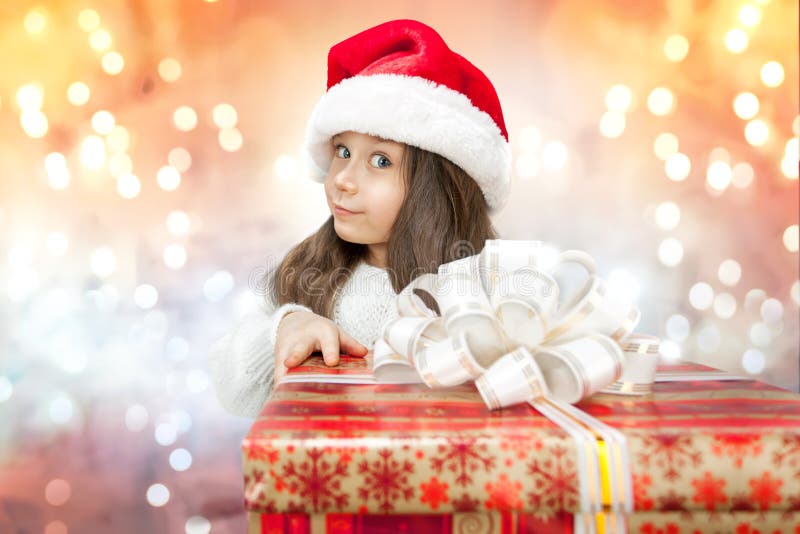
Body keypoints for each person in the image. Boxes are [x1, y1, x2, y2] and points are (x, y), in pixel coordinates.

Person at [208, 18, 512, 418]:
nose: (344, 180)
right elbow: (229, 381)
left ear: (438, 187)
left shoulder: (490, 287)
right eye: (342, 152)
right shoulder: (311, 270)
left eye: (381, 160)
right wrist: (283, 329)